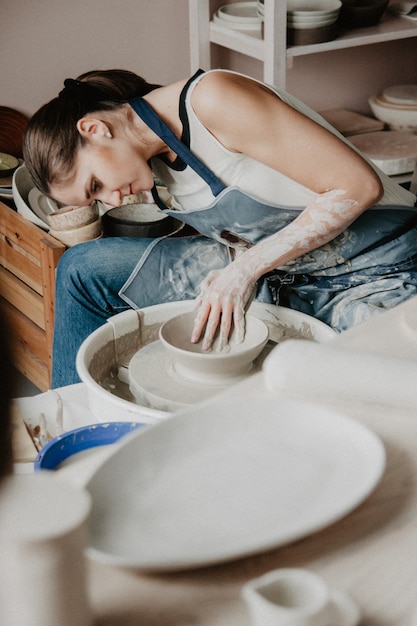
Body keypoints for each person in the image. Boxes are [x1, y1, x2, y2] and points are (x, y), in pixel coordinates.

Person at [23, 68, 417, 388]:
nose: (110, 200)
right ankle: (73, 424)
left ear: (95, 129)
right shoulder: (152, 162)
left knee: (364, 385)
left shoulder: (213, 99)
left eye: (95, 185)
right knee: (82, 268)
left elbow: (357, 185)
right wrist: (235, 268)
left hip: (379, 266)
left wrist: (243, 271)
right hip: (284, 274)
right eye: (96, 199)